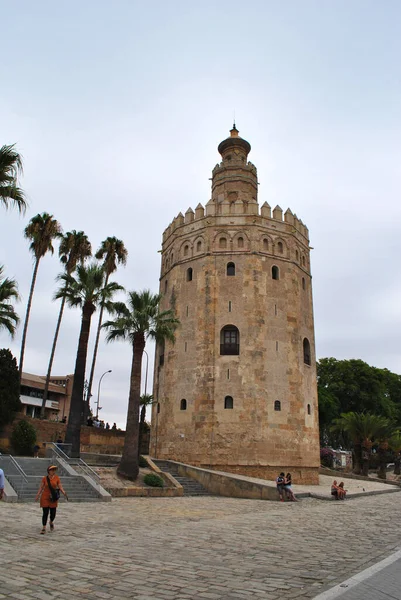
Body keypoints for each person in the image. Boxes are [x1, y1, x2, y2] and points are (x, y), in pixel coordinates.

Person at [35, 465, 68, 534]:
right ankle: (44, 527)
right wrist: (38, 495)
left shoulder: (57, 478)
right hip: (45, 497)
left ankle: (51, 521)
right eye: (52, 470)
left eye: (54, 470)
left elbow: (60, 486)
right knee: (45, 513)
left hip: (53, 497)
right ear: (48, 471)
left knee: (53, 513)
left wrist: (63, 492)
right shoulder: (44, 478)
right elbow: (41, 487)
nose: (53, 471)